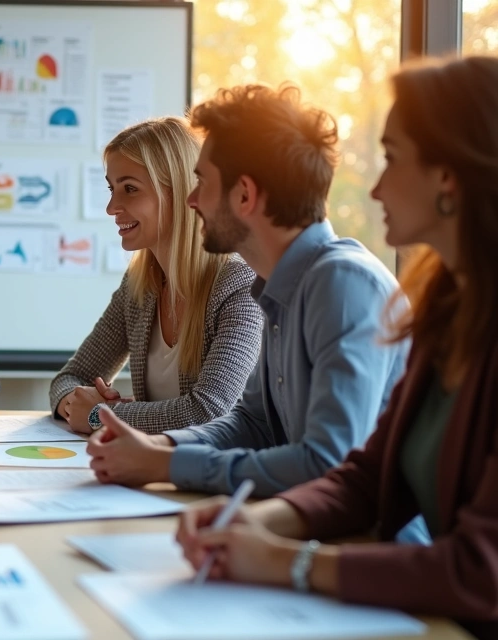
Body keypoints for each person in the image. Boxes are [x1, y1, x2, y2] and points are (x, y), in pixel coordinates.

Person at [176, 56, 498, 637]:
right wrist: (254, 522)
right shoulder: (447, 310)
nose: (374, 185)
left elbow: (481, 570)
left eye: (393, 158)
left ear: (447, 177)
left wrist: (284, 559)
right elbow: (365, 477)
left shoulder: (346, 283)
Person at [86, 83, 408, 498]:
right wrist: (159, 445)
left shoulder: (342, 284)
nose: (192, 200)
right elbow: (252, 423)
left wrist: (166, 463)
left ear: (244, 194)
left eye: (202, 181)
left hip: (368, 547)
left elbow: (326, 464)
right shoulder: (279, 288)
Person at [50, 117, 263, 434]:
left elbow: (208, 413)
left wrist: (101, 416)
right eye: (112, 189)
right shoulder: (139, 288)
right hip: (154, 473)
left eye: (130, 189)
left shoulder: (239, 285)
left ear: (179, 192)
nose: (112, 207)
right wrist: (75, 403)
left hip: (220, 479)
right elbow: (70, 378)